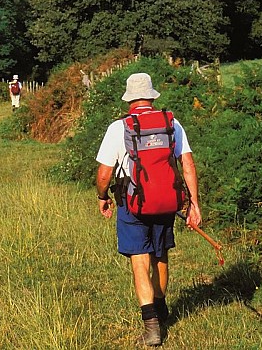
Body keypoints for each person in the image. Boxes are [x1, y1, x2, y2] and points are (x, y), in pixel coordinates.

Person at [95, 72, 202, 347]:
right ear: (152, 97)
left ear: (129, 99)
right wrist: (194, 203)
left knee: (139, 261)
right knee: (160, 254)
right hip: (167, 201)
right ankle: (162, 305)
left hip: (133, 205)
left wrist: (102, 196)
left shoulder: (118, 128)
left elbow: (105, 173)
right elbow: (187, 164)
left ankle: (152, 327)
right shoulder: (172, 124)